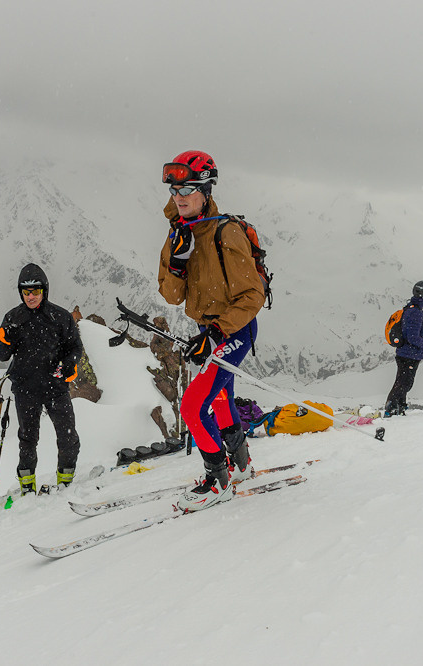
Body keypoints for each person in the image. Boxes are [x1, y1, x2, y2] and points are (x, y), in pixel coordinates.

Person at [157, 150, 265, 512]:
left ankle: (216, 478)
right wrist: (177, 261)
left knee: (192, 406)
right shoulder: (179, 233)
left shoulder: (226, 231)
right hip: (209, 329)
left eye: (187, 187)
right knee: (220, 399)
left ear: (205, 189)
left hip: (234, 329)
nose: (179, 196)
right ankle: (242, 466)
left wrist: (218, 333)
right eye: (174, 189)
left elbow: (253, 295)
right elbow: (171, 296)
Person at [0, 263, 83, 495]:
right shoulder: (13, 318)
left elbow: (74, 347)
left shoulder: (60, 317)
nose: (31, 296)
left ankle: (65, 481)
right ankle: (27, 486)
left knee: (67, 434)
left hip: (55, 386)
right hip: (25, 387)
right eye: (26, 292)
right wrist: (6, 339)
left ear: (45, 290)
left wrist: (69, 365)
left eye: (36, 291)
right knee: (27, 438)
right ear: (20, 292)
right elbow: (1, 355)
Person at [384, 280, 423, 417]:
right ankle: (391, 409)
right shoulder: (415, 313)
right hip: (409, 354)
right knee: (403, 384)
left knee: (403, 383)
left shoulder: (410, 308)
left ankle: (399, 408)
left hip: (406, 353)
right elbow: (413, 337)